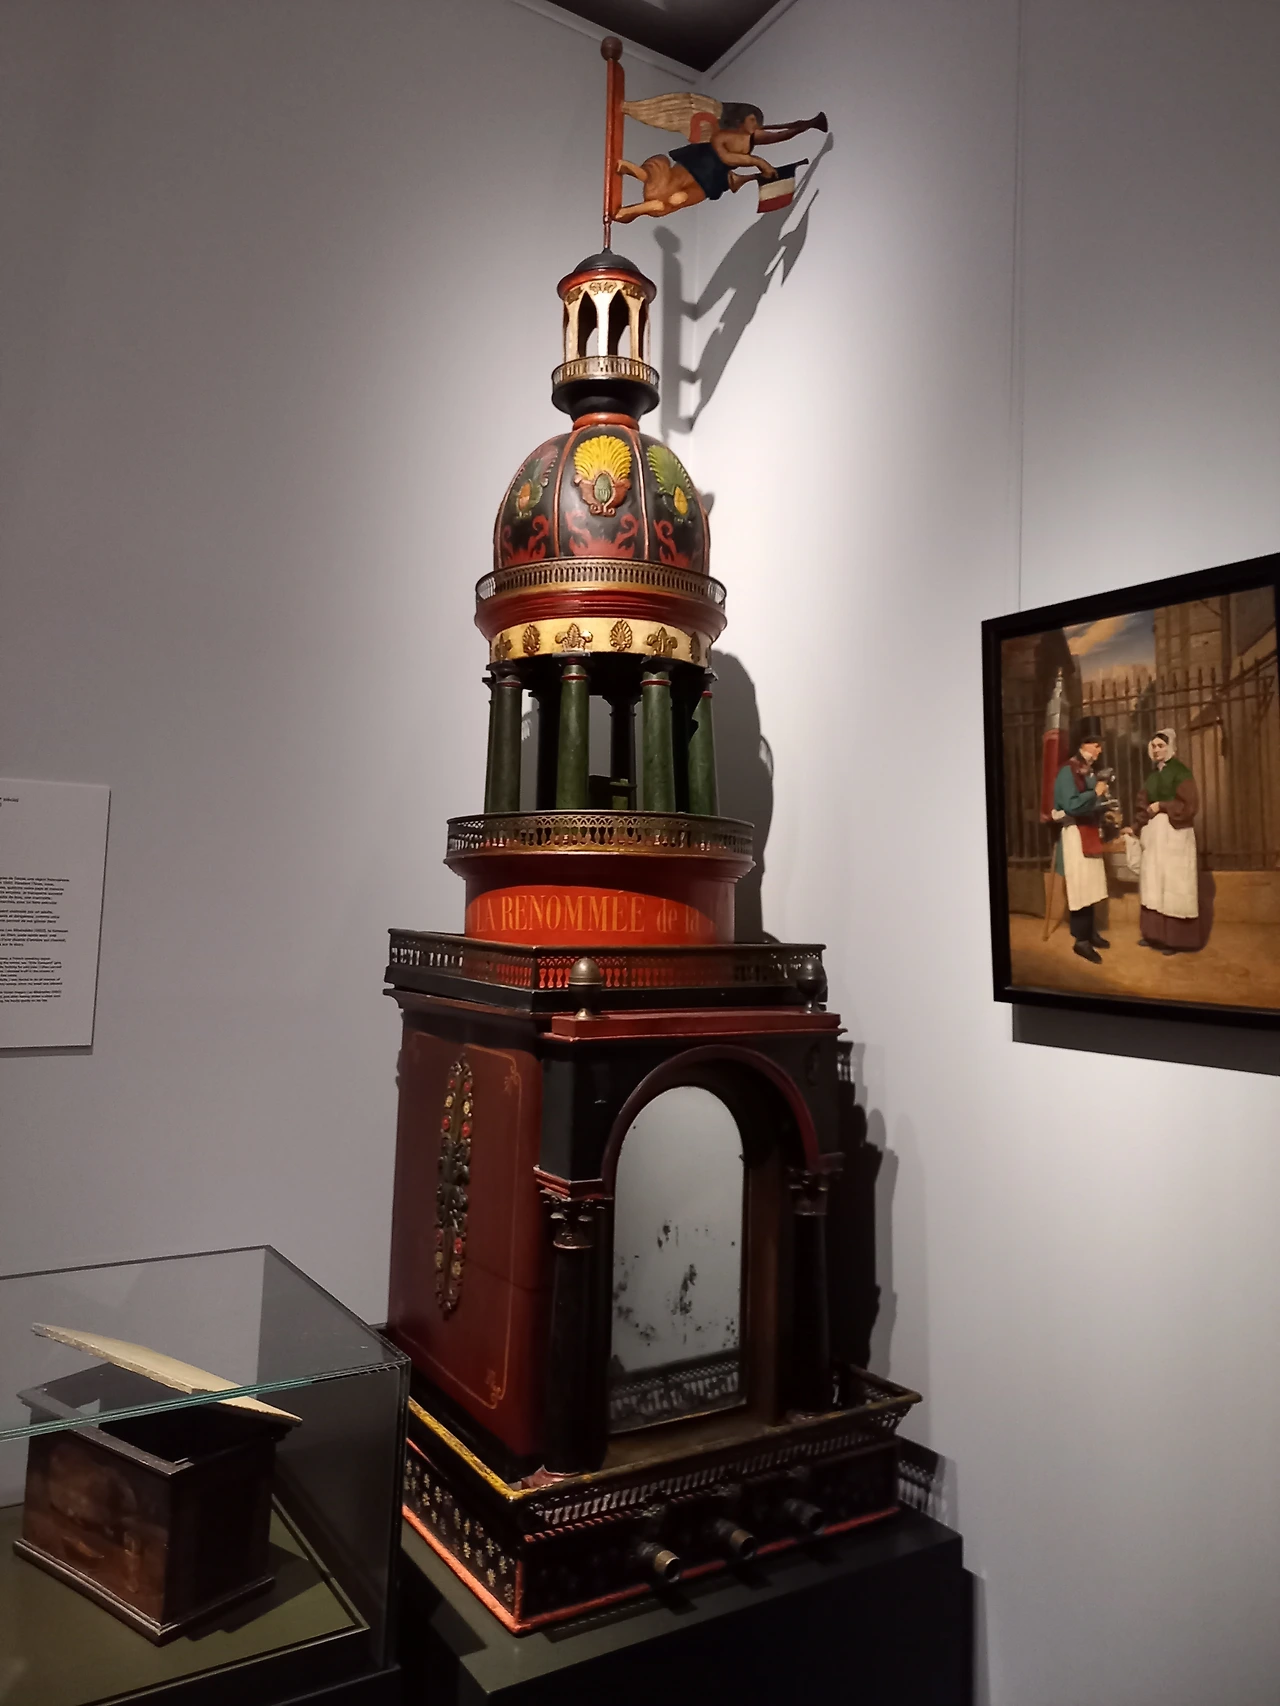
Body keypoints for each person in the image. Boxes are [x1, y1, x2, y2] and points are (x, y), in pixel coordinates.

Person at [1130, 727, 1205, 955]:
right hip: (1155, 837)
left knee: (1174, 884)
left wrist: (1163, 805)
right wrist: (1135, 827)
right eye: (1153, 746)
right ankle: (1154, 935)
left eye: (1161, 746)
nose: (1156, 750)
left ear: (1170, 747)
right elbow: (1143, 805)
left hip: (1175, 835)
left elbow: (1190, 805)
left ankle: (1175, 939)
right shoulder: (1153, 776)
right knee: (1154, 883)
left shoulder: (1180, 772)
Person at [1052, 717, 1111, 964]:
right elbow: (1072, 805)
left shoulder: (1087, 770)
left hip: (1088, 830)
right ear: (1084, 744)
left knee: (1091, 885)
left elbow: (1090, 802)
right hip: (1075, 833)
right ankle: (1081, 941)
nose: (1100, 750)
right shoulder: (1068, 770)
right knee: (1080, 886)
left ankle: (1090, 932)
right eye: (1096, 745)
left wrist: (1105, 805)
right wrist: (1095, 793)